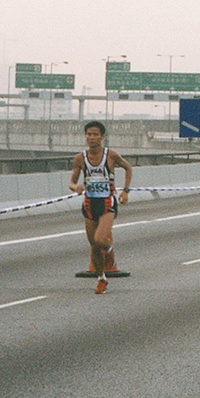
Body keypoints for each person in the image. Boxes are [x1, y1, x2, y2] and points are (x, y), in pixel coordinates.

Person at [69, 121, 133, 295]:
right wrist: (77, 188)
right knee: (94, 246)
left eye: (95, 134)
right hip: (89, 205)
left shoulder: (110, 155)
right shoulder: (80, 158)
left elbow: (128, 167)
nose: (91, 137)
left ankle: (109, 248)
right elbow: (72, 182)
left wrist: (125, 191)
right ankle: (101, 279)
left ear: (102, 136)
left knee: (100, 240)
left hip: (107, 204)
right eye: (89, 134)